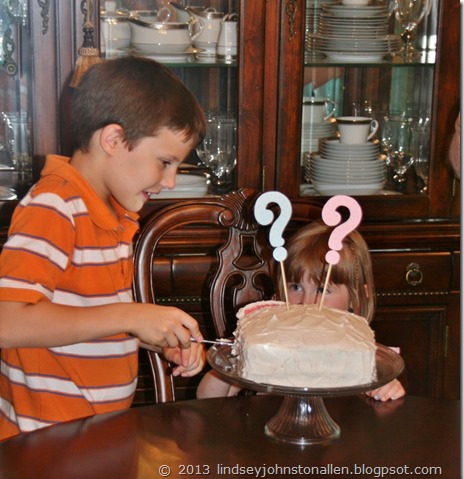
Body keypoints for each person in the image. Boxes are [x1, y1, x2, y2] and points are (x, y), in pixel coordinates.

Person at [0, 56, 207, 441]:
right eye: (165, 162)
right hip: (44, 444)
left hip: (95, 437)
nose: (171, 181)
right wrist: (129, 315)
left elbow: (90, 319)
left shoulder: (112, 213)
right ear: (112, 140)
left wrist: (152, 335)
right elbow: (8, 323)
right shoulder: (55, 206)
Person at [197, 220, 405, 402]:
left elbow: (381, 407)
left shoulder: (361, 357)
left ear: (357, 297)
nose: (306, 302)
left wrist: (386, 389)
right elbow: (208, 399)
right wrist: (234, 361)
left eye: (322, 290)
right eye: (295, 287)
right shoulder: (269, 348)